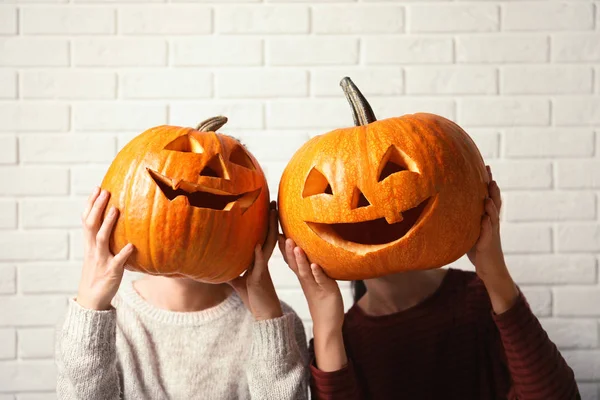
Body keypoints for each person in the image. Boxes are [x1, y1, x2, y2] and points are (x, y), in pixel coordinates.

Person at [281, 167, 579, 400]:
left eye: (390, 174)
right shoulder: (340, 341)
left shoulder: (481, 298)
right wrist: (326, 326)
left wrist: (495, 271)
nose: (362, 201)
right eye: (331, 190)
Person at [56, 187, 309, 399]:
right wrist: (91, 309)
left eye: (210, 208)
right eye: (169, 199)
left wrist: (268, 321)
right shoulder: (93, 325)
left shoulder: (277, 325)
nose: (187, 226)